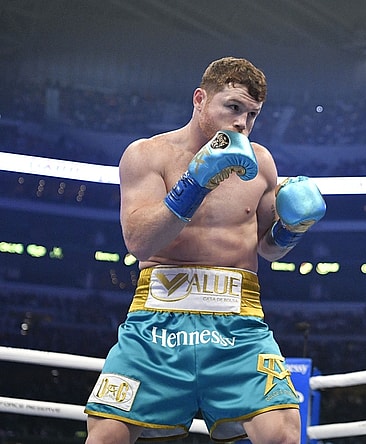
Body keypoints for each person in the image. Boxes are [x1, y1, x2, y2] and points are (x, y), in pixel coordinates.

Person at [84, 57, 326, 444]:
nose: (242, 124)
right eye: (232, 107)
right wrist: (195, 182)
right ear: (200, 99)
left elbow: (267, 249)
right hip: (156, 321)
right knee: (105, 436)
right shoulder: (147, 155)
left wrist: (292, 229)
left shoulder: (261, 162)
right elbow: (139, 241)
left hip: (239, 322)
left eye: (252, 114)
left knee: (283, 432)